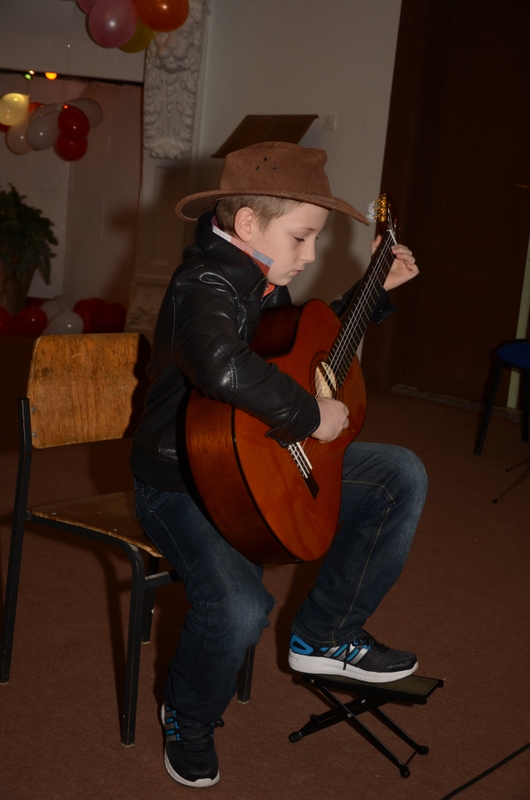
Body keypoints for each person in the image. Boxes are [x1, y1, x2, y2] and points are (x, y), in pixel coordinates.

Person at [131, 141, 428, 788]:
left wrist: (372, 293)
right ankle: (188, 716)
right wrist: (309, 415)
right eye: (302, 237)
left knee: (398, 475)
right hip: (184, 479)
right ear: (247, 224)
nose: (310, 254)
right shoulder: (202, 285)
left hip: (256, 454)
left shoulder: (263, 278)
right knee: (239, 607)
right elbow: (219, 363)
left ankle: (326, 634)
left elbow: (299, 345)